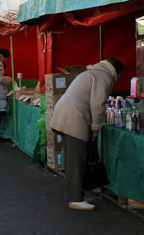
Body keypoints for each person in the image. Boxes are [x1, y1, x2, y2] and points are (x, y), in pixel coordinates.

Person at [50, 58, 126, 211]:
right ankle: (75, 199)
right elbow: (98, 104)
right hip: (74, 118)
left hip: (63, 114)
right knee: (77, 159)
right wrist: (96, 127)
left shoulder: (91, 72)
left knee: (72, 159)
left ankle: (76, 194)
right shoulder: (104, 76)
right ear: (116, 71)